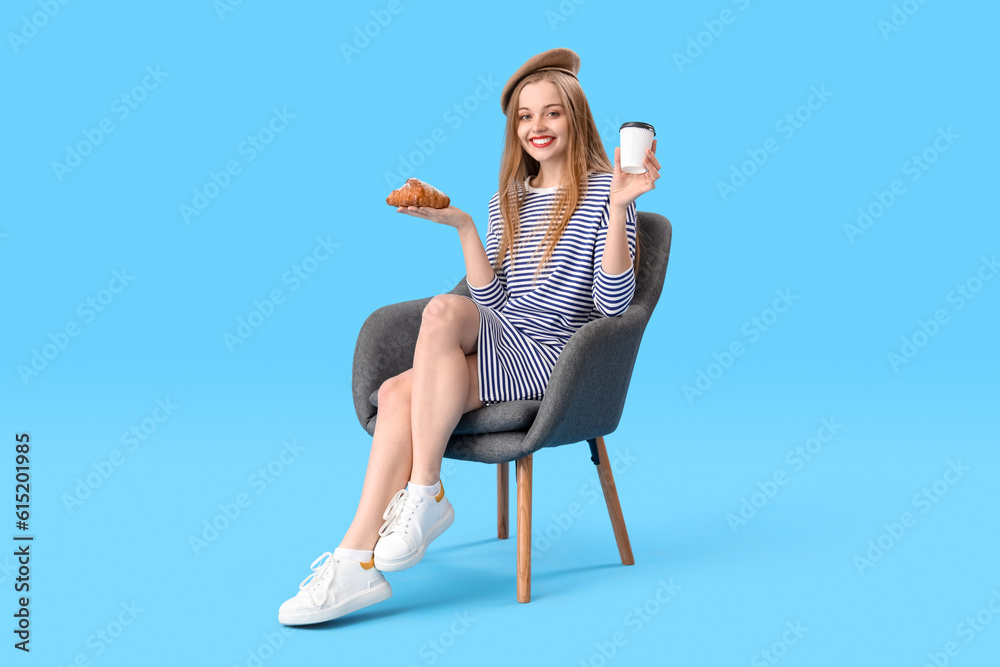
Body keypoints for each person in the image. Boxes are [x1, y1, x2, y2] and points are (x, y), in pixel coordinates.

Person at [277, 47, 660, 626]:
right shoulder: (507, 199)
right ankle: (362, 555)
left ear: (576, 118)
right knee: (422, 346)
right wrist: (464, 227)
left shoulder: (609, 190)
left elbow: (612, 306)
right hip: (506, 334)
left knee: (404, 393)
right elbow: (494, 304)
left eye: (551, 113)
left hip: (559, 356)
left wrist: (618, 208)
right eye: (525, 117)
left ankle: (413, 504)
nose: (537, 127)